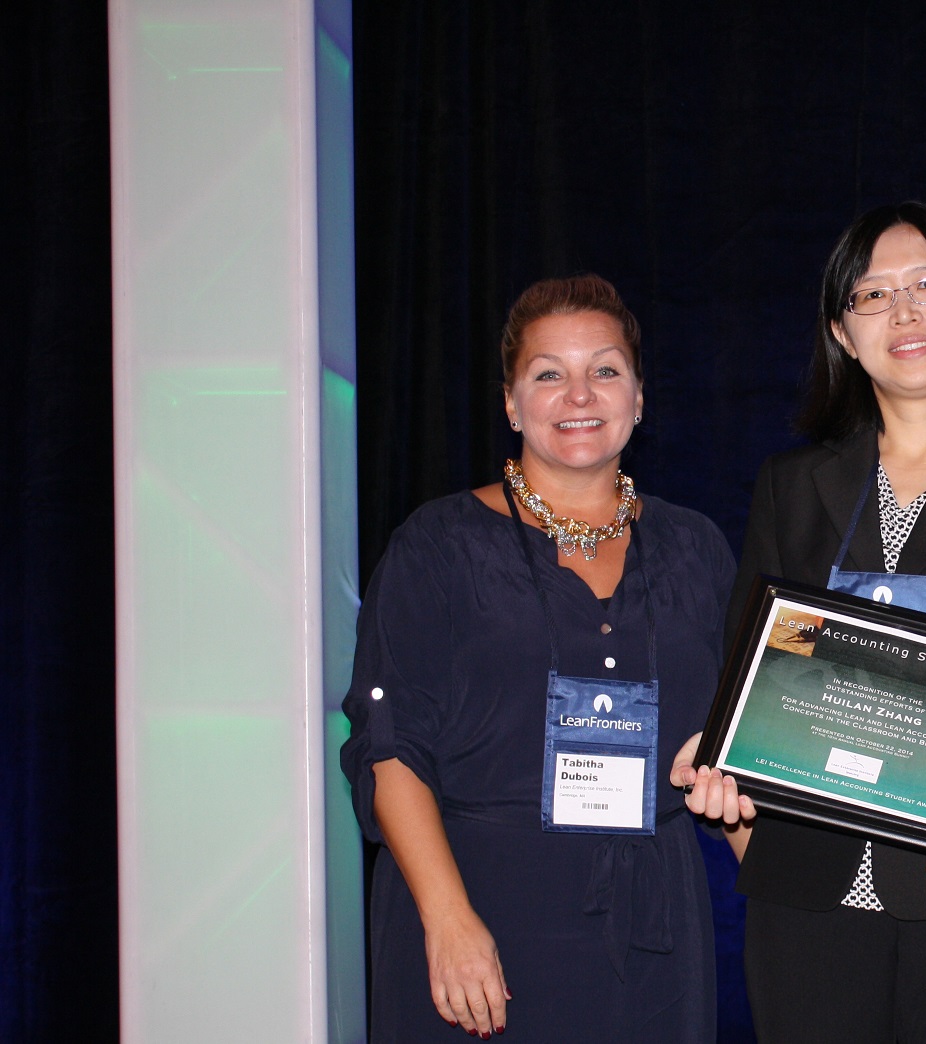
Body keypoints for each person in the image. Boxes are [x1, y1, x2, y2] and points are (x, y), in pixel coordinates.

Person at [674, 201, 926, 1041]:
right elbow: (756, 667)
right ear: (843, 330)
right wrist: (722, 756)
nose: (904, 312)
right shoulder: (792, 485)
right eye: (872, 296)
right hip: (807, 893)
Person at [340, 275, 735, 1042]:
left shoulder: (698, 547)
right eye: (549, 373)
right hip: (483, 917)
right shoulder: (439, 543)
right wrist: (449, 921)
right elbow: (390, 748)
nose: (579, 394)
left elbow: (731, 740)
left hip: (653, 933)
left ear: (640, 397)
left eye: (606, 370)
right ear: (513, 403)